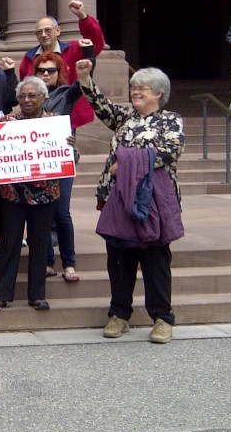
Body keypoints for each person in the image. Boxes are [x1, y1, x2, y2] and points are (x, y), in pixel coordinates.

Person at [75, 59, 186, 344]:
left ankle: (162, 318)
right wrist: (85, 78)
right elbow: (101, 106)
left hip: (154, 201)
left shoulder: (170, 120)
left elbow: (168, 152)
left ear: (158, 93)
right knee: (119, 259)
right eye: (133, 88)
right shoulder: (125, 119)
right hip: (119, 199)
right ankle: (119, 314)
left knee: (155, 260)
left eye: (142, 88)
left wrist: (125, 163)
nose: (135, 92)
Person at [0, 77, 60, 313]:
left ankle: (37, 294)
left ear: (43, 98)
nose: (26, 100)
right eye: (22, 97)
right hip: (12, 196)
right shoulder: (6, 122)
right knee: (9, 243)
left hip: (45, 195)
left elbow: (71, 160)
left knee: (40, 242)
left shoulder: (56, 124)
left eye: (32, 96)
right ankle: (1, 294)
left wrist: (69, 145)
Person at [33, 50, 86, 282]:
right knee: (42, 212)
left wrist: (89, 55)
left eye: (50, 70)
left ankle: (69, 263)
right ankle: (46, 262)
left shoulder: (66, 94)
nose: (45, 74)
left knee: (62, 212)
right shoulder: (29, 97)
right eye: (41, 70)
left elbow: (83, 81)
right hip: (38, 162)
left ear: (59, 73)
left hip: (62, 160)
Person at [19, 0, 104, 129]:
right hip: (38, 116)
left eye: (47, 30)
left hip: (69, 113)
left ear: (57, 31)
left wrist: (83, 17)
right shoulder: (29, 58)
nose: (43, 35)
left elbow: (95, 43)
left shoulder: (73, 49)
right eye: (39, 32)